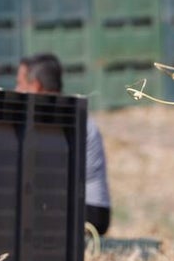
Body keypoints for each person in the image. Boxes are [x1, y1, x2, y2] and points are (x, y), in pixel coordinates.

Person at [16, 52, 112, 236]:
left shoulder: (61, 120)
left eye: (20, 84)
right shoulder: (72, 116)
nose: (16, 89)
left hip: (88, 212)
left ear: (35, 86)